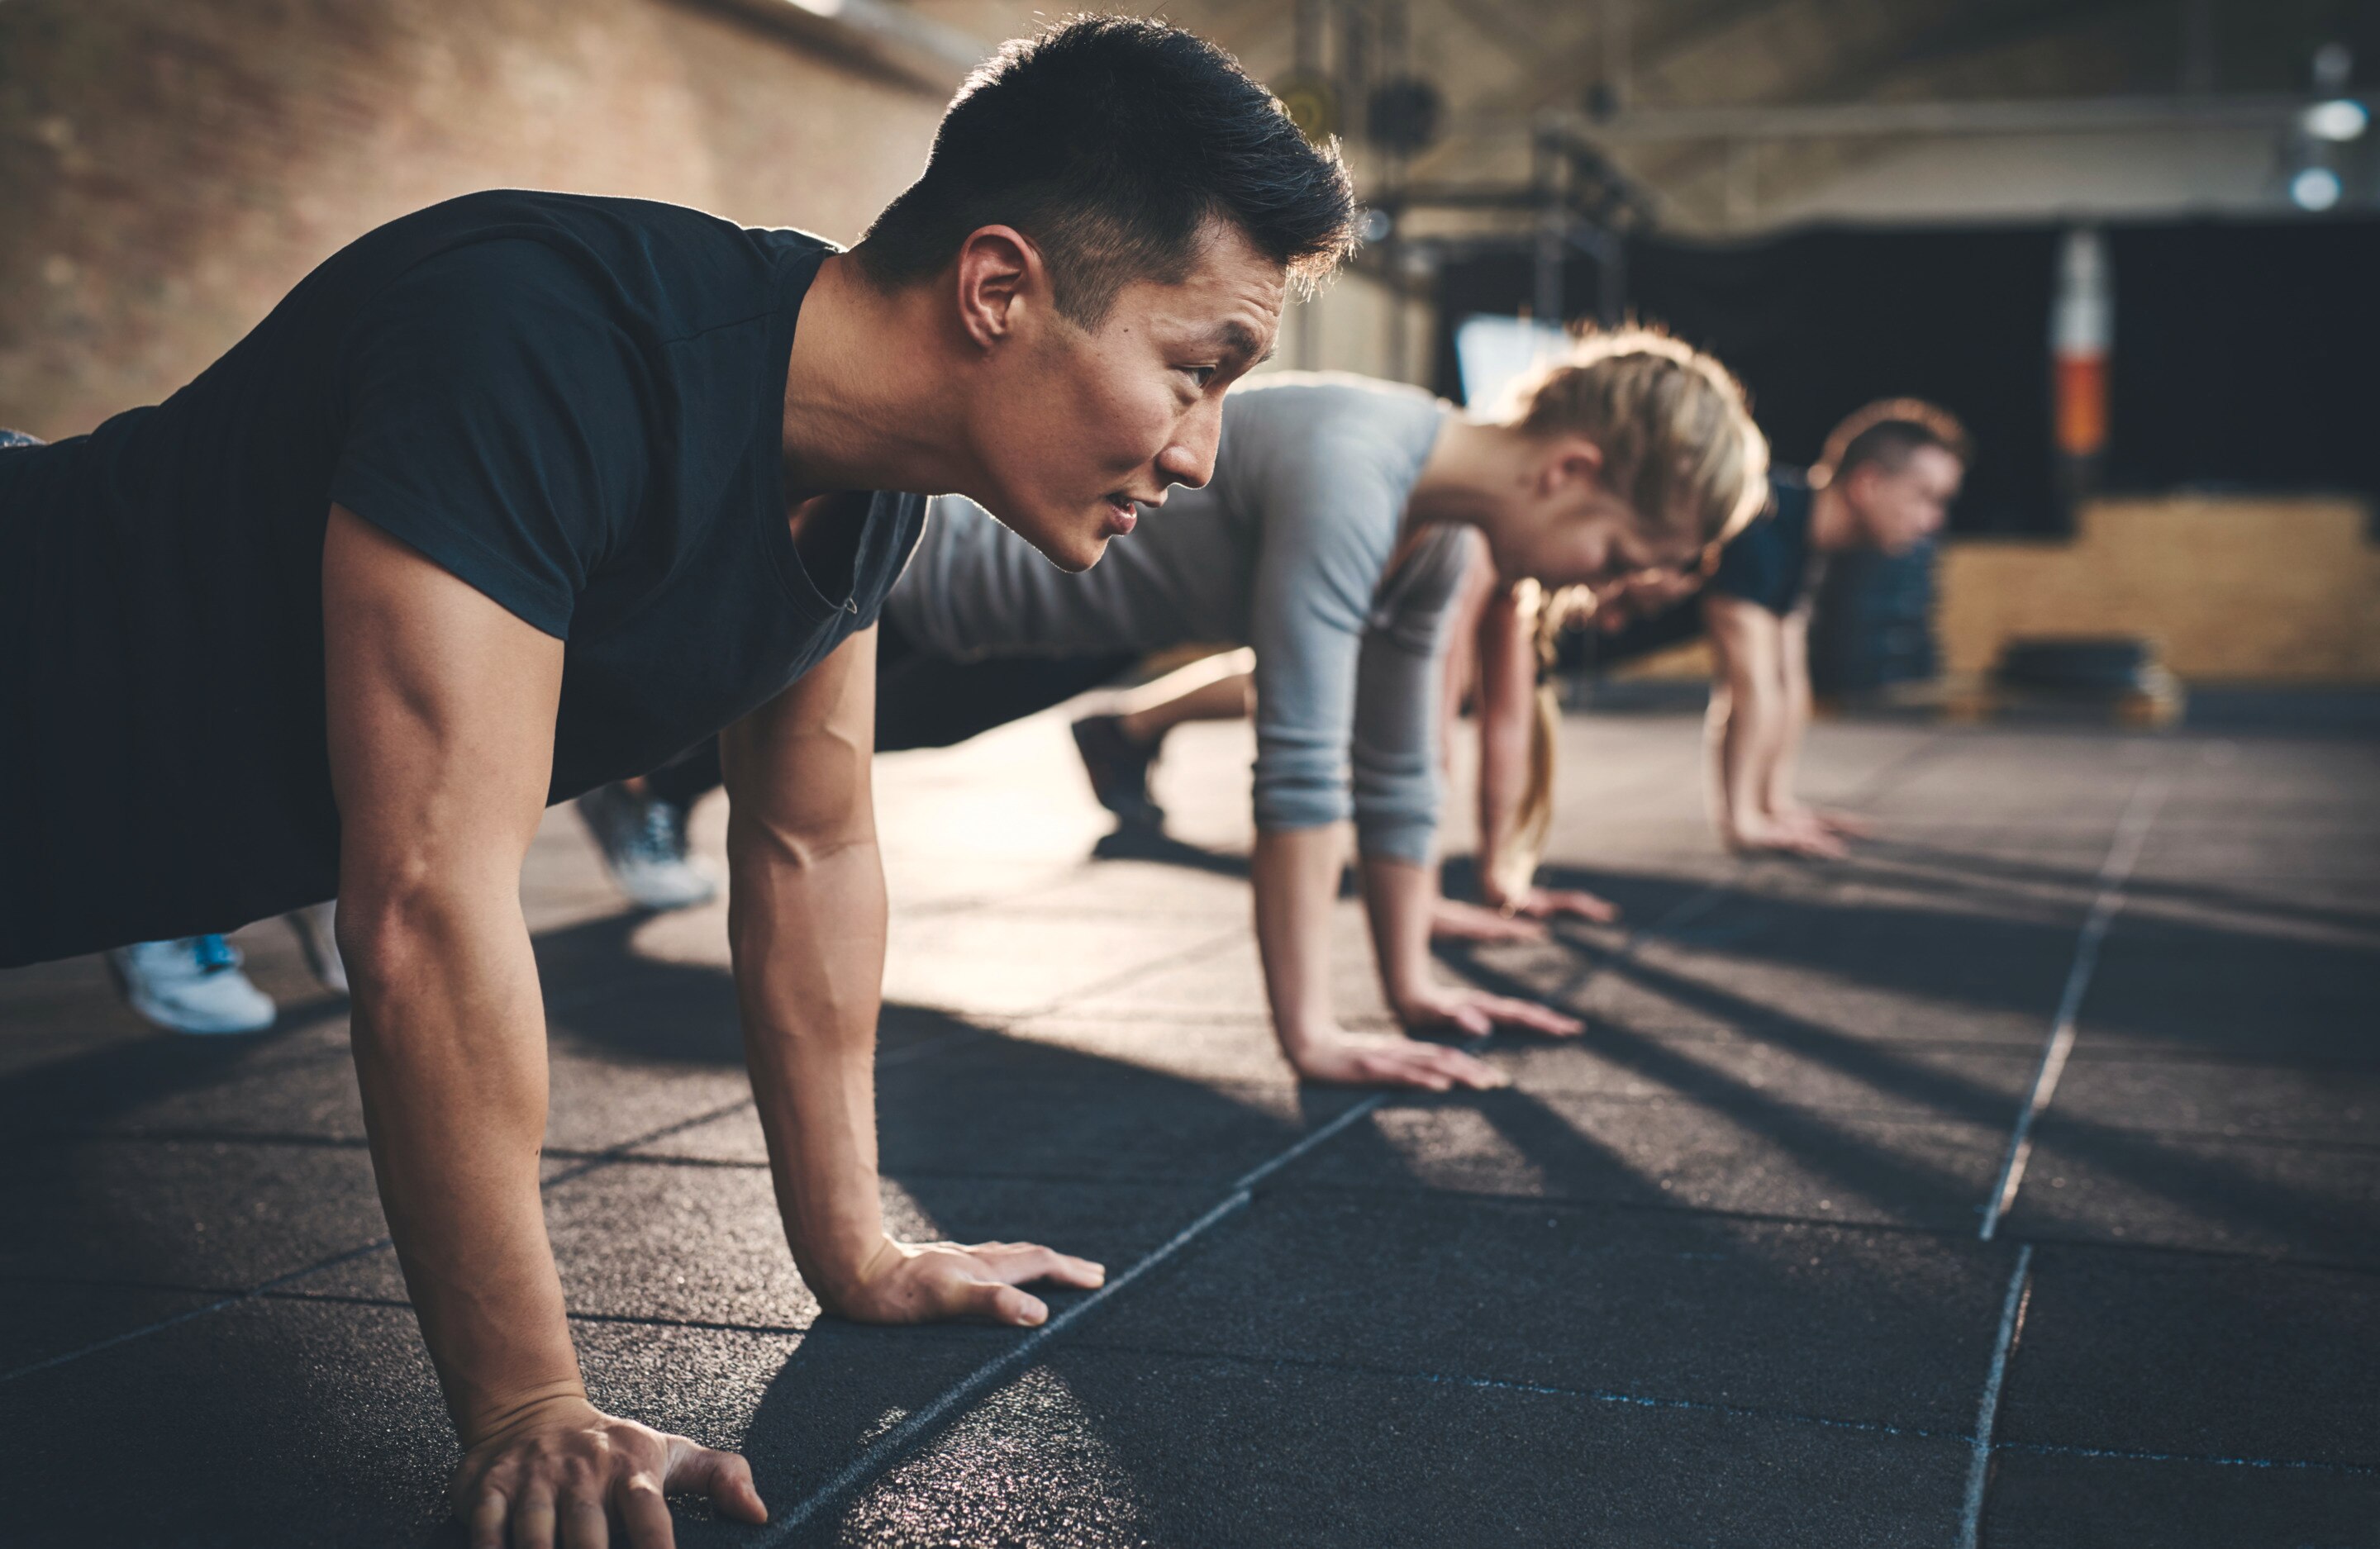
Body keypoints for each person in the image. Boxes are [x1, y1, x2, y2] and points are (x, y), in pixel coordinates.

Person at [0, 17, 1357, 1544]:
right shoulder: (545, 341)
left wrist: (857, 1248)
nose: (1201, 454)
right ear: (997, 290)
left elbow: (811, 845)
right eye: (1198, 372)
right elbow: (430, 902)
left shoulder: (867, 498)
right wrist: (528, 1411)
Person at [1443, 398, 1972, 878]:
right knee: (1437, 717)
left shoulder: (1800, 534)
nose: (1933, 520)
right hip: (1551, 618)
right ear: (1869, 484)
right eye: (1926, 497)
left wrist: (1775, 804)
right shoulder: (1763, 518)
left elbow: (1788, 682)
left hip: (1551, 636)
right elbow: (1748, 685)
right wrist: (1743, 820)